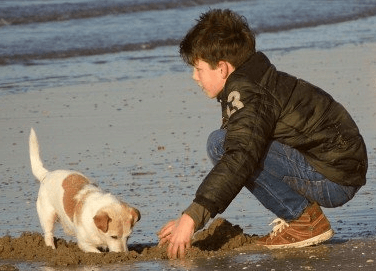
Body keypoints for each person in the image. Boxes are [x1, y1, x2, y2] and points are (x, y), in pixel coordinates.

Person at [157, 9, 367, 259]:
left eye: (199, 68)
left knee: (221, 145)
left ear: (222, 68)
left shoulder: (248, 94)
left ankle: (304, 221)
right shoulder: (256, 79)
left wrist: (192, 217)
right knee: (230, 143)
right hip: (339, 168)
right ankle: (301, 217)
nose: (194, 77)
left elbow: (240, 157)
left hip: (333, 180)